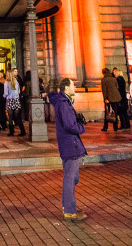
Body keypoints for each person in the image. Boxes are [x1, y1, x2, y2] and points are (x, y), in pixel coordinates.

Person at [49, 78, 87, 222]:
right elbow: (70, 125)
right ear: (66, 88)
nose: (75, 87)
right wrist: (81, 127)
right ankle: (70, 211)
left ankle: (68, 206)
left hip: (69, 143)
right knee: (70, 178)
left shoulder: (64, 102)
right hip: (69, 143)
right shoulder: (63, 104)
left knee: (73, 177)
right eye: (72, 85)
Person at [4, 69, 26, 136]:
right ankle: (22, 131)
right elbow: (19, 91)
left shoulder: (6, 82)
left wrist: (3, 96)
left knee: (10, 117)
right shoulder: (16, 81)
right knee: (18, 117)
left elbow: (6, 93)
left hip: (10, 100)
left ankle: (11, 132)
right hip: (16, 100)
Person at [100, 67, 120, 131]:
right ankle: (115, 127)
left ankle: (105, 127)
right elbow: (117, 87)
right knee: (115, 113)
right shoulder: (113, 78)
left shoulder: (104, 79)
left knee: (107, 112)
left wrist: (105, 98)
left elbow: (104, 90)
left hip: (109, 98)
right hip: (116, 97)